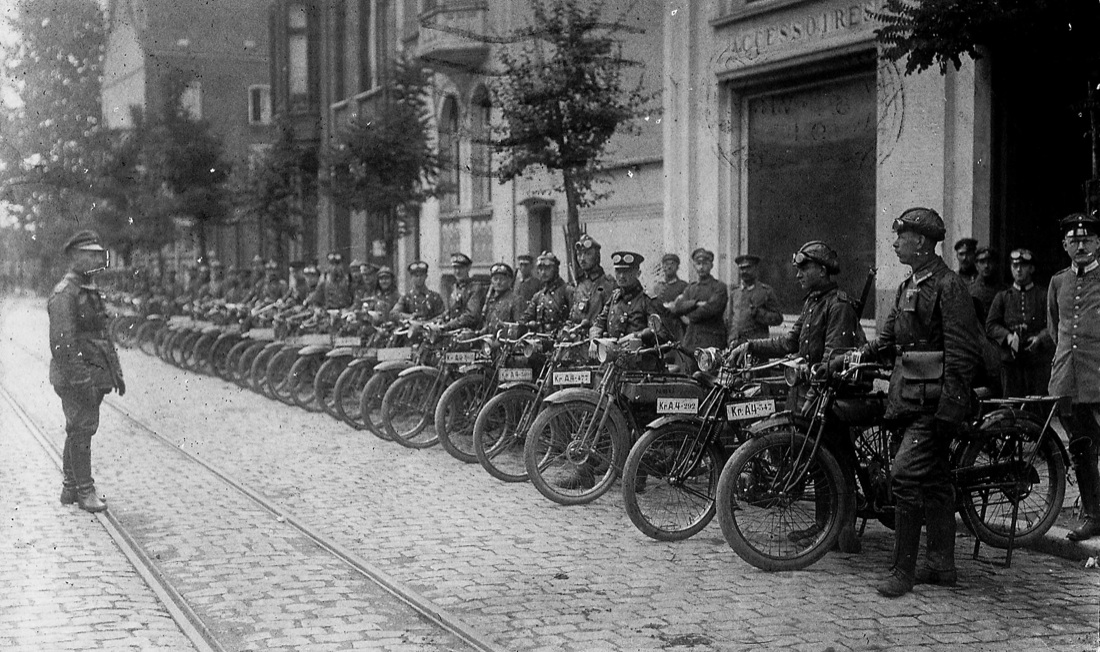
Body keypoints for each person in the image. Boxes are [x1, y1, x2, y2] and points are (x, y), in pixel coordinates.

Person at [860, 208, 984, 597]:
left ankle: (903, 572)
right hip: (909, 398)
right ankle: (941, 565)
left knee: (905, 475)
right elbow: (888, 341)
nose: (895, 242)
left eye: (902, 236)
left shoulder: (949, 286)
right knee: (934, 481)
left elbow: (963, 353)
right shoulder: (908, 284)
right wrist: (852, 356)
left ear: (923, 242)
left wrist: (951, 409)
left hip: (934, 406)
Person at [729, 240, 863, 553]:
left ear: (823, 269)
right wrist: (751, 347)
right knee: (818, 460)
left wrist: (812, 395)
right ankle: (823, 524)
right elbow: (790, 342)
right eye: (798, 268)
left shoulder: (838, 304)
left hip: (833, 395)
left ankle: (844, 528)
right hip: (811, 392)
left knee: (839, 459)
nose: (798, 274)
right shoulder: (812, 302)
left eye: (804, 267)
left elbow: (834, 358)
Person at [48, 230, 125, 513]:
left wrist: (114, 373)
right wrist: (83, 380)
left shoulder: (87, 290)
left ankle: (70, 488)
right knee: (83, 429)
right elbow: (64, 346)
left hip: (94, 373)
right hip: (76, 375)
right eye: (90, 254)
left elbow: (103, 334)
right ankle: (85, 490)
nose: (97, 258)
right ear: (74, 258)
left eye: (97, 253)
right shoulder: (65, 294)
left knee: (79, 428)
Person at [1047, 213, 1100, 541]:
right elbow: (1056, 329)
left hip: (1099, 376)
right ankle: (1094, 517)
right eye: (1074, 241)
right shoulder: (1058, 282)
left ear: (1098, 244)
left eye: (1087, 240)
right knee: (1082, 449)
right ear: (1065, 245)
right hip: (1069, 379)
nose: (1081, 246)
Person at [985, 248, 1052, 397]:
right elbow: (990, 325)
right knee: (1011, 402)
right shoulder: (1003, 297)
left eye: (1023, 266)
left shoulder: (1043, 295)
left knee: (1037, 403)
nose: (1019, 270)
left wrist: (1040, 338)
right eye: (1015, 266)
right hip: (1010, 362)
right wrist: (1007, 337)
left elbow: (1054, 324)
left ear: (1032, 268)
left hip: (1037, 361)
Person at [666, 248, 727, 365]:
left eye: (705, 263)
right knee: (689, 377)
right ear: (694, 265)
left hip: (712, 341)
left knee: (710, 378)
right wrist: (696, 303)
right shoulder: (691, 288)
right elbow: (676, 309)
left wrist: (689, 311)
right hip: (691, 341)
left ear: (711, 265)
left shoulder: (719, 287)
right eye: (698, 264)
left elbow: (711, 309)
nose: (701, 267)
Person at [725, 254, 784, 347]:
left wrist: (759, 313)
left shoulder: (765, 291)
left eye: (748, 268)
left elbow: (778, 318)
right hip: (734, 344)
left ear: (756, 269)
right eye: (741, 269)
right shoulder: (734, 293)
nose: (744, 271)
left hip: (756, 346)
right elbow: (729, 320)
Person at [521, 252, 573, 332]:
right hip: (540, 338)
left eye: (547, 268)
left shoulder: (567, 291)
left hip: (562, 340)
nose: (543, 272)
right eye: (541, 269)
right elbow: (526, 317)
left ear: (555, 269)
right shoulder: (538, 296)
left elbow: (574, 318)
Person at [570, 235, 615, 326]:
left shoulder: (608, 284)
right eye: (579, 254)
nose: (582, 259)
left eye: (588, 254)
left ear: (597, 257)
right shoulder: (579, 285)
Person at [442, 253, 486, 331]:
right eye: (455, 268)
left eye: (461, 268)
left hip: (468, 335)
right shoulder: (454, 287)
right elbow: (450, 312)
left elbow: (471, 316)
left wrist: (448, 325)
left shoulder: (475, 288)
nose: (457, 271)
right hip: (453, 331)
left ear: (468, 268)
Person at [651, 253, 688, 341]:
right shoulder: (657, 287)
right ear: (663, 267)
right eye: (666, 264)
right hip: (660, 326)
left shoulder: (683, 286)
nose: (669, 267)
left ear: (677, 267)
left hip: (677, 327)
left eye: (672, 264)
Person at [480, 262, 524, 334]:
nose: (498, 282)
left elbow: (518, 327)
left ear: (509, 281)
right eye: (495, 279)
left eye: (502, 279)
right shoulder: (489, 300)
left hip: (505, 342)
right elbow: (486, 324)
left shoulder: (516, 300)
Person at [969, 246, 1006, 322]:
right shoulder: (968, 290)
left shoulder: (1003, 291)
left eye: (990, 262)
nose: (986, 266)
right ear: (976, 265)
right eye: (982, 262)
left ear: (995, 264)